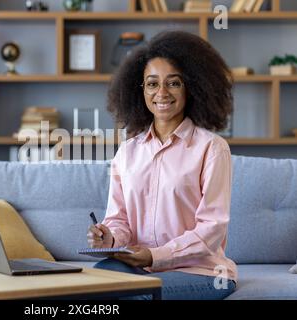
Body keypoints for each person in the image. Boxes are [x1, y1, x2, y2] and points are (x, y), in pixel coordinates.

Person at [87, 31, 237, 300]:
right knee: (85, 288)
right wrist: (108, 239)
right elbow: (119, 220)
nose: (162, 93)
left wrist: (156, 256)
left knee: (138, 296)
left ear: (191, 87)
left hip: (201, 273)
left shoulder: (212, 148)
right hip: (138, 267)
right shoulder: (128, 151)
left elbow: (211, 229)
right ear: (141, 89)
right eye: (152, 84)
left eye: (174, 83)